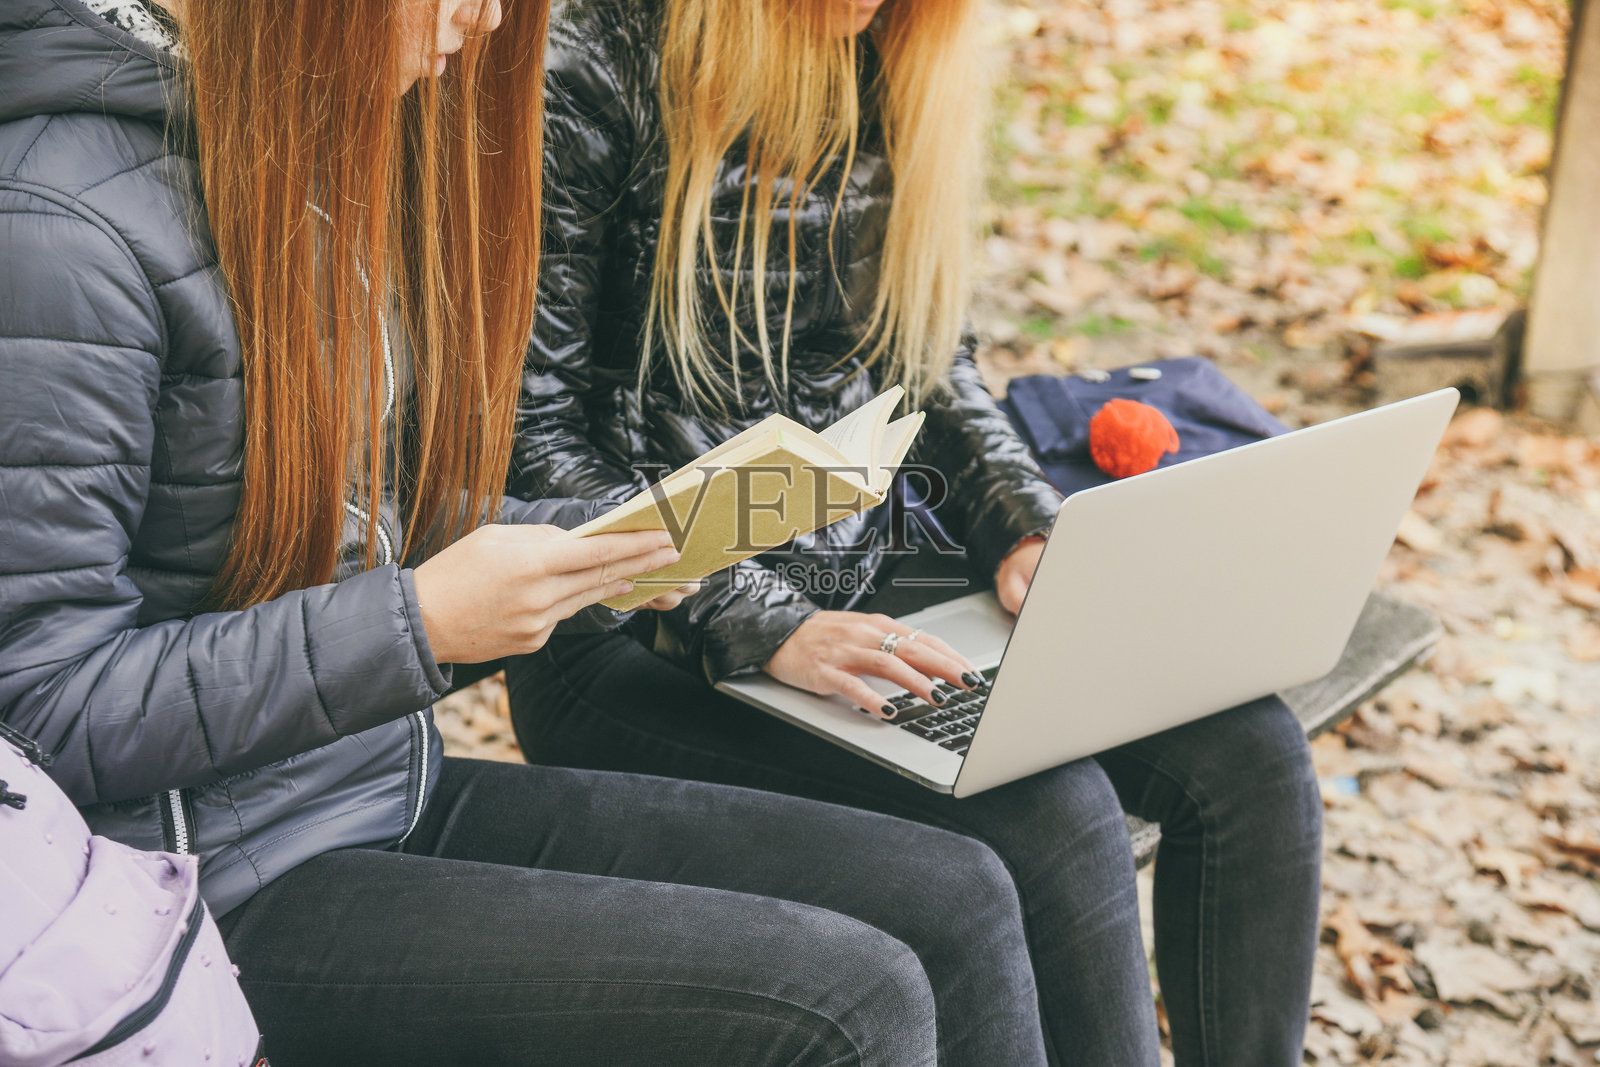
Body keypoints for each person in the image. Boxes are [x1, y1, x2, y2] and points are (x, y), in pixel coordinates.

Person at [0, 0, 1052, 1063]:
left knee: (952, 896)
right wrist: (418, 621)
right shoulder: (56, 228)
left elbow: (345, 518)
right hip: (188, 889)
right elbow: (38, 708)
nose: (490, 15)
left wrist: (608, 546)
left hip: (367, 788)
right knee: (847, 998)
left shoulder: (273, 138)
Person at [504, 0, 1326, 1062]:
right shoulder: (596, 57)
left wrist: (1022, 527)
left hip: (864, 559)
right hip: (634, 631)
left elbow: (931, 358)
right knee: (1052, 812)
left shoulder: (894, 54)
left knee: (1249, 750)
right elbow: (528, 437)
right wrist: (760, 617)